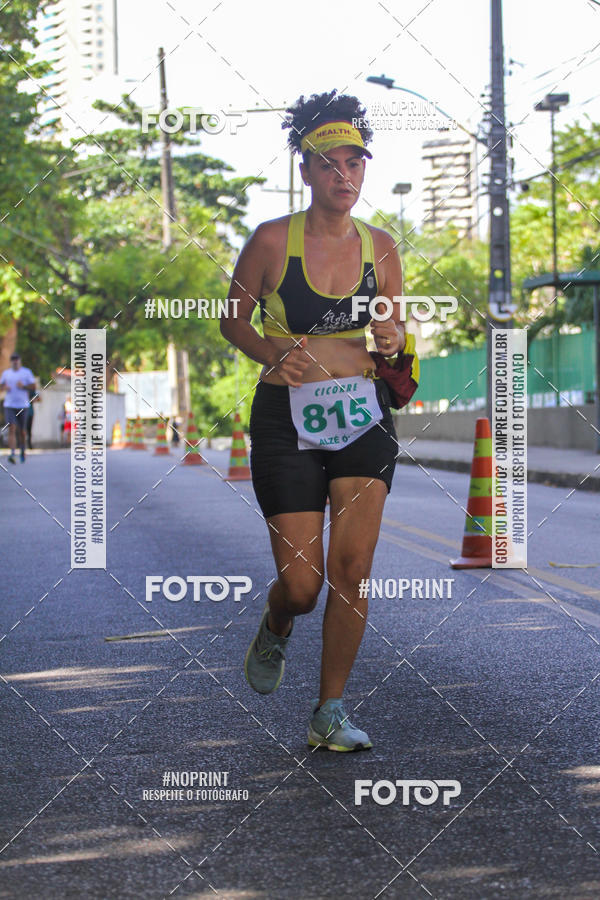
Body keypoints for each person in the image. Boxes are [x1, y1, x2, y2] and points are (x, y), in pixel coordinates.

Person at [220, 91, 406, 752]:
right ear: (306, 170)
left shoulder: (381, 247)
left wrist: (393, 345)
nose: (344, 176)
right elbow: (232, 320)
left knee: (351, 569)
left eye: (355, 163)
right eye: (330, 164)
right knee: (302, 584)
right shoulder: (271, 241)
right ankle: (278, 622)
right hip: (285, 420)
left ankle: (330, 709)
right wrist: (273, 351)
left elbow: (396, 333)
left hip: (361, 417)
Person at [0, 353, 36, 464]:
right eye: (13, 360)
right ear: (11, 362)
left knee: (22, 431)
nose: (15, 361)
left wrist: (23, 386)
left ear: (20, 361)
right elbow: (1, 387)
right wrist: (4, 387)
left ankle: (22, 450)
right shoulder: (6, 373)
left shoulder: (26, 372)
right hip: (9, 405)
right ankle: (12, 453)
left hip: (23, 405)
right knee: (12, 428)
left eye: (17, 359)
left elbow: (33, 386)